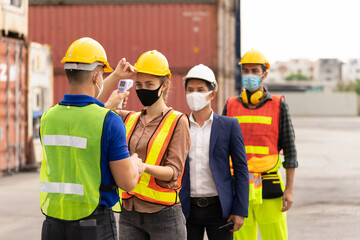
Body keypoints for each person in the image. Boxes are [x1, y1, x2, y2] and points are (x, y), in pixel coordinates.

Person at [39, 37, 144, 240]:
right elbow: (127, 182)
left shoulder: (48, 117)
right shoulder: (109, 121)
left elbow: (82, 113)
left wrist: (114, 76)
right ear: (97, 77)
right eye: (102, 75)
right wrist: (135, 165)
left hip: (53, 224)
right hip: (93, 226)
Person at [108, 50, 191, 239]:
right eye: (138, 84)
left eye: (149, 84)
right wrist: (116, 77)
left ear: (164, 86)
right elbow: (94, 112)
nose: (143, 89)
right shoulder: (128, 118)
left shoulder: (178, 121)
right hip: (130, 213)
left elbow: (174, 172)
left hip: (164, 215)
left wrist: (143, 167)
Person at [222, 49, 298, 240]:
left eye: (255, 71)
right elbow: (221, 150)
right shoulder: (231, 105)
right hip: (238, 185)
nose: (249, 75)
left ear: (264, 74)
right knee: (240, 236)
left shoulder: (279, 105)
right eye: (246, 71)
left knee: (275, 236)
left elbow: (290, 150)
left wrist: (288, 190)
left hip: (269, 184)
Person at [179, 64, 249, 240]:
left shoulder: (229, 126)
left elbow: (241, 170)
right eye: (190, 90)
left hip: (220, 209)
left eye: (200, 89)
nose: (194, 94)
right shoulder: (179, 125)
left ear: (212, 93)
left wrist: (239, 211)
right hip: (186, 209)